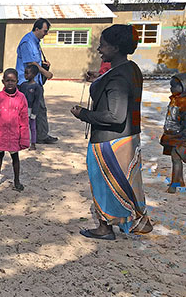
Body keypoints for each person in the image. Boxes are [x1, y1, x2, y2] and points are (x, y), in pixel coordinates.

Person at [71, 24, 153, 239]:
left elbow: (115, 116)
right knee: (126, 181)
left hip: (110, 142)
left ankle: (105, 227)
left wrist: (83, 114)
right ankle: (136, 219)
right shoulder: (130, 69)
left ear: (115, 48)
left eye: (103, 46)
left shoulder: (118, 77)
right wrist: (97, 80)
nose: (99, 49)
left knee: (104, 183)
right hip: (127, 138)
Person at [16, 18, 58, 144]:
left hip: (35, 81)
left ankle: (41, 135)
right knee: (26, 110)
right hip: (26, 82)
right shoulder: (27, 42)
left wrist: (43, 64)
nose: (46, 34)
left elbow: (35, 61)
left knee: (39, 108)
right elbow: (30, 63)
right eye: (45, 31)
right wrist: (46, 72)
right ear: (37, 29)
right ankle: (23, 136)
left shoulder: (35, 42)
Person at [0, 68, 29, 192]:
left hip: (15, 135)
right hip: (0, 134)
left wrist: (24, 137)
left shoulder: (21, 98)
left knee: (15, 157)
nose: (10, 83)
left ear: (17, 81)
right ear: (3, 81)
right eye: (7, 80)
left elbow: (24, 120)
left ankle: (17, 181)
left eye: (13, 81)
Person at [160, 73, 186, 193]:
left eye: (174, 86)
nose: (171, 89)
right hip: (172, 135)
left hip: (180, 137)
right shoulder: (175, 100)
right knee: (175, 158)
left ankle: (174, 184)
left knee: (176, 158)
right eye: (171, 86)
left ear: (185, 86)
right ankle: (179, 179)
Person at [18, 65, 42, 150]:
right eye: (25, 73)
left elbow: (37, 101)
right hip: (22, 109)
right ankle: (21, 141)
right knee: (21, 126)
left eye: (27, 73)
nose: (25, 75)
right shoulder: (23, 85)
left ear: (34, 74)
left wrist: (34, 113)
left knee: (32, 127)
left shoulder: (37, 87)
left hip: (31, 109)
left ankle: (33, 143)